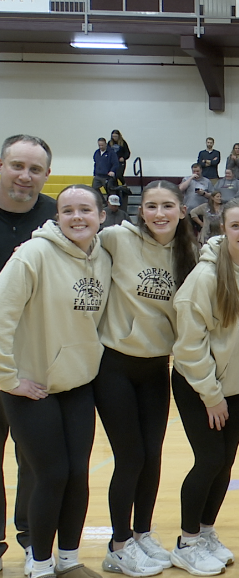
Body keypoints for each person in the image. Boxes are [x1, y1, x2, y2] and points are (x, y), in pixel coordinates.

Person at [0, 185, 112, 578]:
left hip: (77, 385)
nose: (77, 217)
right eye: (68, 210)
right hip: (32, 387)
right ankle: (41, 563)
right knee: (50, 475)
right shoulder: (33, 255)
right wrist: (8, 378)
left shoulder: (103, 258)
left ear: (102, 215)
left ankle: (68, 559)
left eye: (85, 209)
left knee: (77, 475)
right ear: (57, 217)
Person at [95, 180, 198, 576]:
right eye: (151, 206)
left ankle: (141, 534)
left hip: (157, 367)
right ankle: (118, 546)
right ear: (141, 211)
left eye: (167, 206)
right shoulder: (118, 239)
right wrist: (41, 238)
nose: (159, 213)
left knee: (151, 457)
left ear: (181, 210)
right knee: (130, 457)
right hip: (116, 365)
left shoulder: (188, 251)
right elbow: (76, 237)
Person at [169, 198, 239, 576]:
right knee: (208, 461)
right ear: (223, 229)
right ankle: (187, 542)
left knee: (224, 463)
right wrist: (211, 396)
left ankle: (206, 533)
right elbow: (189, 348)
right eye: (236, 226)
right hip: (199, 386)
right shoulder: (205, 278)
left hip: (236, 385)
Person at [0, 134, 56, 567]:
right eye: (17, 165)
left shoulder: (59, 218)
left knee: (34, 460)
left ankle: (30, 540)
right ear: (1, 166)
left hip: (35, 360)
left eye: (35, 169)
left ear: (46, 175)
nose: (25, 175)